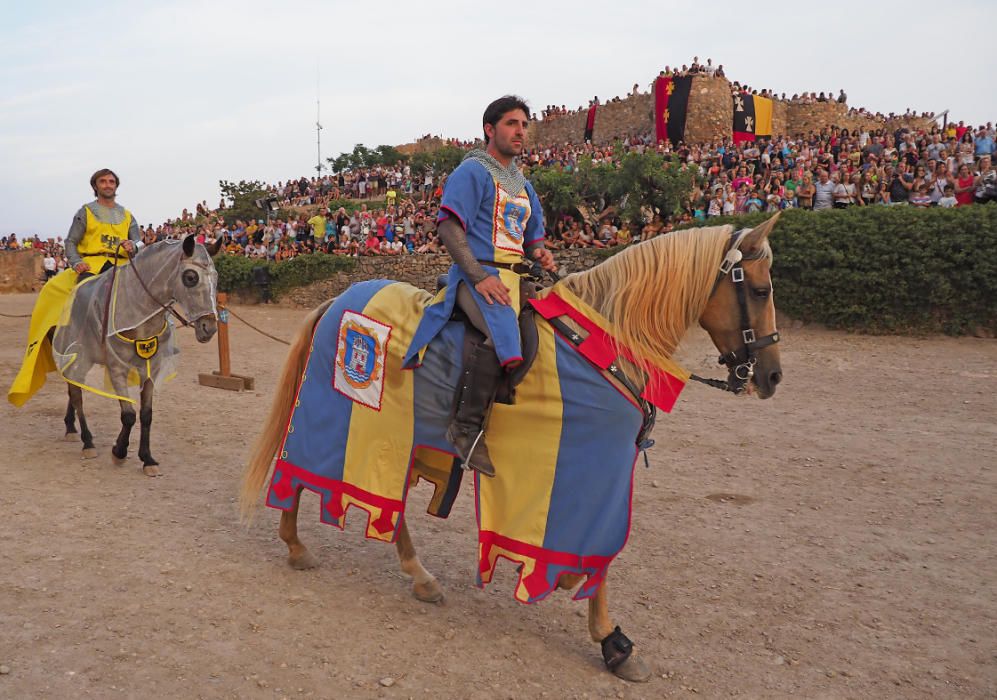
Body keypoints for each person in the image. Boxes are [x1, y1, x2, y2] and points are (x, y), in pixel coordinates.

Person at [403, 95, 556, 477]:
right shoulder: (472, 172)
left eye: (524, 124)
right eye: (511, 123)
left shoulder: (523, 186)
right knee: (501, 333)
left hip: (516, 279)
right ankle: (466, 427)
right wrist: (478, 276)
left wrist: (541, 254)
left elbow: (532, 235)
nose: (520, 131)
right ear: (491, 129)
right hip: (478, 277)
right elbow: (449, 227)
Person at [8, 168, 141, 407]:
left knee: (146, 296)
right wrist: (77, 261)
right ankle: (78, 342)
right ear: (96, 185)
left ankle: (151, 343)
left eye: (111, 181)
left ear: (116, 186)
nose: (108, 184)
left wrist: (133, 246)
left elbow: (138, 240)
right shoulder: (86, 212)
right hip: (93, 263)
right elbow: (71, 242)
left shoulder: (127, 215)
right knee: (77, 296)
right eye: (103, 181)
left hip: (121, 265)